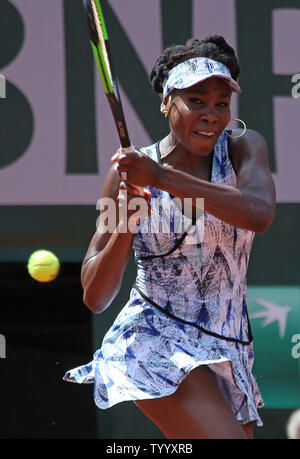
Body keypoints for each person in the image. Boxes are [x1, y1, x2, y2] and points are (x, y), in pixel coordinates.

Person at [64, 35, 276, 439]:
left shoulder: (243, 148)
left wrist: (162, 178)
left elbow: (259, 214)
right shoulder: (125, 173)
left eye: (221, 103)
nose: (212, 114)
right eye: (196, 101)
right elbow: (96, 296)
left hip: (227, 344)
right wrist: (126, 222)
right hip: (153, 340)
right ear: (167, 103)